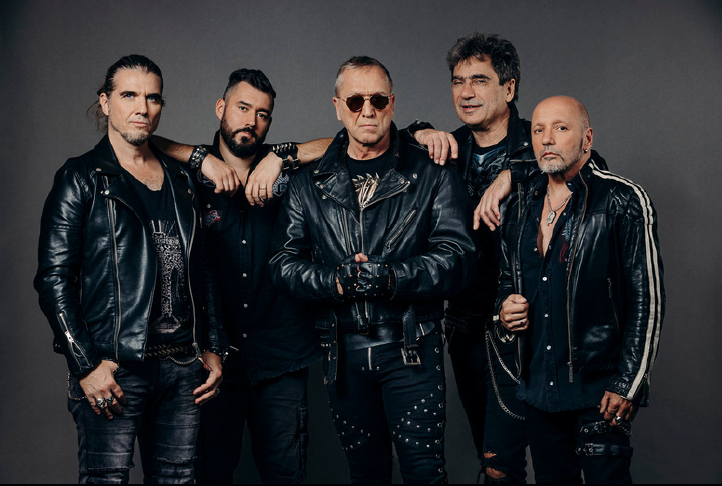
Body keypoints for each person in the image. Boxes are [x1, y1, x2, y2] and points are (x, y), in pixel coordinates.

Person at [269, 56, 476, 484]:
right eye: (355, 101)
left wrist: (391, 277)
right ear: (338, 107)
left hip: (411, 347)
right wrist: (334, 281)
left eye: (378, 100)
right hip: (342, 353)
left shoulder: (431, 170)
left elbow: (458, 258)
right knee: (366, 476)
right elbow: (282, 264)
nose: (368, 111)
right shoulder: (308, 183)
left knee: (425, 474)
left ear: (392, 104)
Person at [34, 54, 228, 483]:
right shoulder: (80, 177)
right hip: (114, 369)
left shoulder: (181, 181)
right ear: (105, 103)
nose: (142, 107)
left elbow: (204, 270)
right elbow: (53, 279)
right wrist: (86, 365)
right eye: (129, 95)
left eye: (152, 97)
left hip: (183, 367)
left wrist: (214, 346)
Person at [496, 96, 664, 483]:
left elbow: (648, 299)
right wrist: (504, 308)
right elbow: (508, 278)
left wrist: (629, 384)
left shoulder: (622, 199)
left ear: (587, 138)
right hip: (538, 391)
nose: (547, 138)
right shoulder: (520, 205)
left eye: (561, 128)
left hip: (599, 393)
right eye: (538, 130)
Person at [403, 33, 537, 483]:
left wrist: (514, 172)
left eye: (480, 80)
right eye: (458, 81)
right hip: (466, 326)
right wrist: (419, 130)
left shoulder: (537, 142)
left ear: (509, 88)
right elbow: (374, 143)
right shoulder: (447, 149)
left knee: (553, 454)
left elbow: (586, 161)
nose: (466, 92)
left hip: (531, 325)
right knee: (493, 458)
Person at [188, 68, 322, 484]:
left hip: (280, 356)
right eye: (243, 108)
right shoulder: (187, 177)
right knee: (209, 474)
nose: (251, 121)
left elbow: (348, 143)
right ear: (220, 108)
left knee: (285, 476)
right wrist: (198, 158)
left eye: (262, 114)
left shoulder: (289, 172)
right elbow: (140, 138)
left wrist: (281, 157)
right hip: (211, 360)